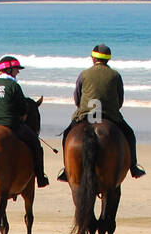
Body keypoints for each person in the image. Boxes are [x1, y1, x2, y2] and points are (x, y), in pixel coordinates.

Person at [57, 44, 145, 181]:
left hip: (86, 113)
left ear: (93, 58)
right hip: (110, 114)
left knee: (68, 134)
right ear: (108, 59)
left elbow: (77, 98)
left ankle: (66, 170)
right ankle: (133, 167)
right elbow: (120, 100)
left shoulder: (84, 74)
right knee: (129, 134)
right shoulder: (115, 75)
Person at [0, 55, 49, 187]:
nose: (18, 72)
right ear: (10, 70)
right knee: (35, 143)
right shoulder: (14, 85)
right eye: (17, 69)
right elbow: (22, 109)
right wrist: (20, 116)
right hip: (11, 124)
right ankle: (40, 177)